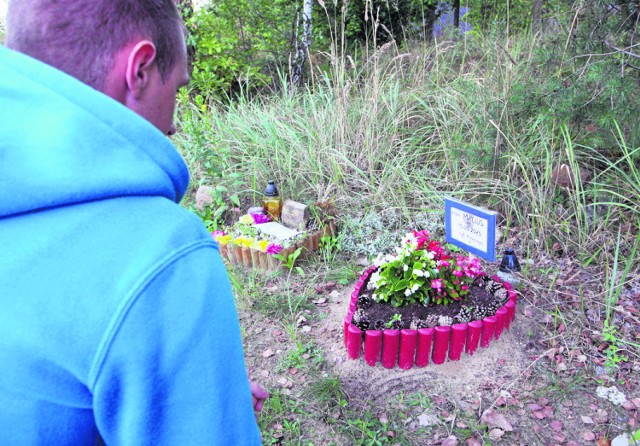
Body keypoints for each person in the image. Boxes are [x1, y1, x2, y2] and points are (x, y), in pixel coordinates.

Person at [0, 0, 267, 444]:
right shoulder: (162, 258)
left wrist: (181, 397)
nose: (175, 124)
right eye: (177, 88)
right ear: (140, 69)